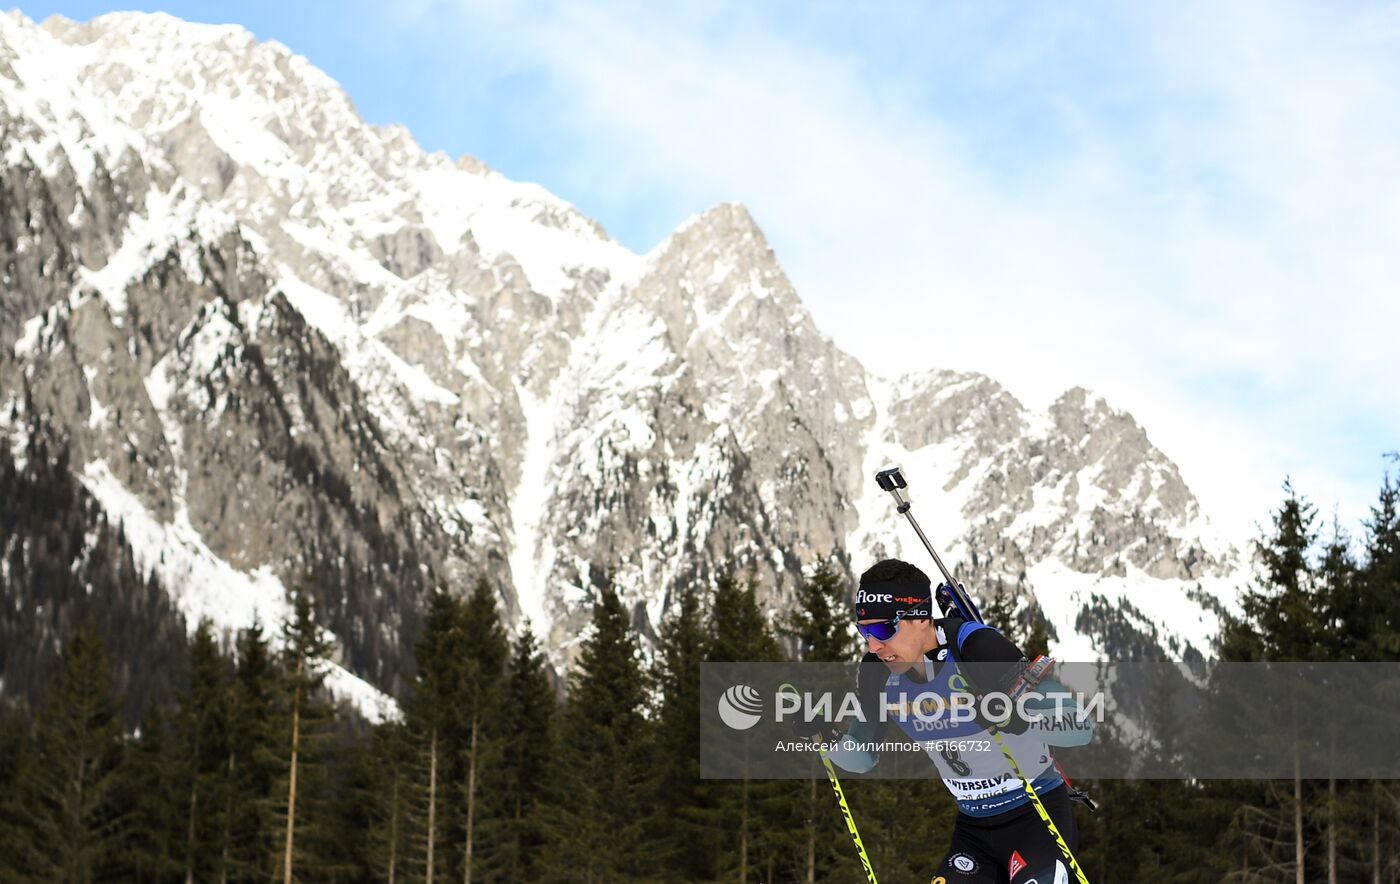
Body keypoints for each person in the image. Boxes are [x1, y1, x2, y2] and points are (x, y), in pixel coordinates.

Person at [805, 558, 1093, 884]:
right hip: (974, 831)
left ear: (922, 617)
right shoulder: (877, 674)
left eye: (884, 629)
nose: (874, 645)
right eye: (865, 631)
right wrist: (824, 738)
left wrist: (1018, 717)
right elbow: (862, 757)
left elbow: (1078, 726)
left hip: (1037, 816)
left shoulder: (975, 646)